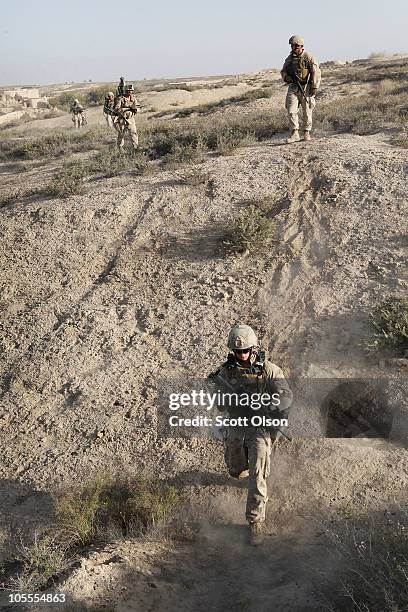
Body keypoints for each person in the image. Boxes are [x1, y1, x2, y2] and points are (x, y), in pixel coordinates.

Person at [208, 323, 293, 545]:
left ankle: (255, 522)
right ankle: (240, 472)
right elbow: (218, 403)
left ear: (254, 349)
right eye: (238, 352)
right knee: (236, 469)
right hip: (237, 424)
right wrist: (230, 399)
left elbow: (286, 397)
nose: (242, 355)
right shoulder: (225, 372)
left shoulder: (270, 370)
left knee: (258, 473)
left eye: (246, 351)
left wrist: (266, 405)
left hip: (261, 427)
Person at [281, 35, 321, 143]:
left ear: (300, 46)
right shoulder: (290, 58)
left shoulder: (308, 57)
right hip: (293, 87)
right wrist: (286, 77)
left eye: (294, 46)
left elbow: (316, 71)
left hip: (306, 87)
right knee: (291, 110)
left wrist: (314, 86)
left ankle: (306, 132)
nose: (293, 48)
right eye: (292, 46)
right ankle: (295, 133)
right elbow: (283, 71)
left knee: (307, 110)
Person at [112, 84, 140, 150]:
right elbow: (116, 108)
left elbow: (138, 106)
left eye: (131, 90)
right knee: (121, 134)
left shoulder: (133, 98)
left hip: (130, 119)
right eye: (128, 90)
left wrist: (135, 109)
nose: (130, 92)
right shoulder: (121, 98)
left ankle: (135, 147)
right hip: (122, 119)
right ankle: (120, 148)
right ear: (125, 91)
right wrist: (123, 110)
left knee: (133, 132)